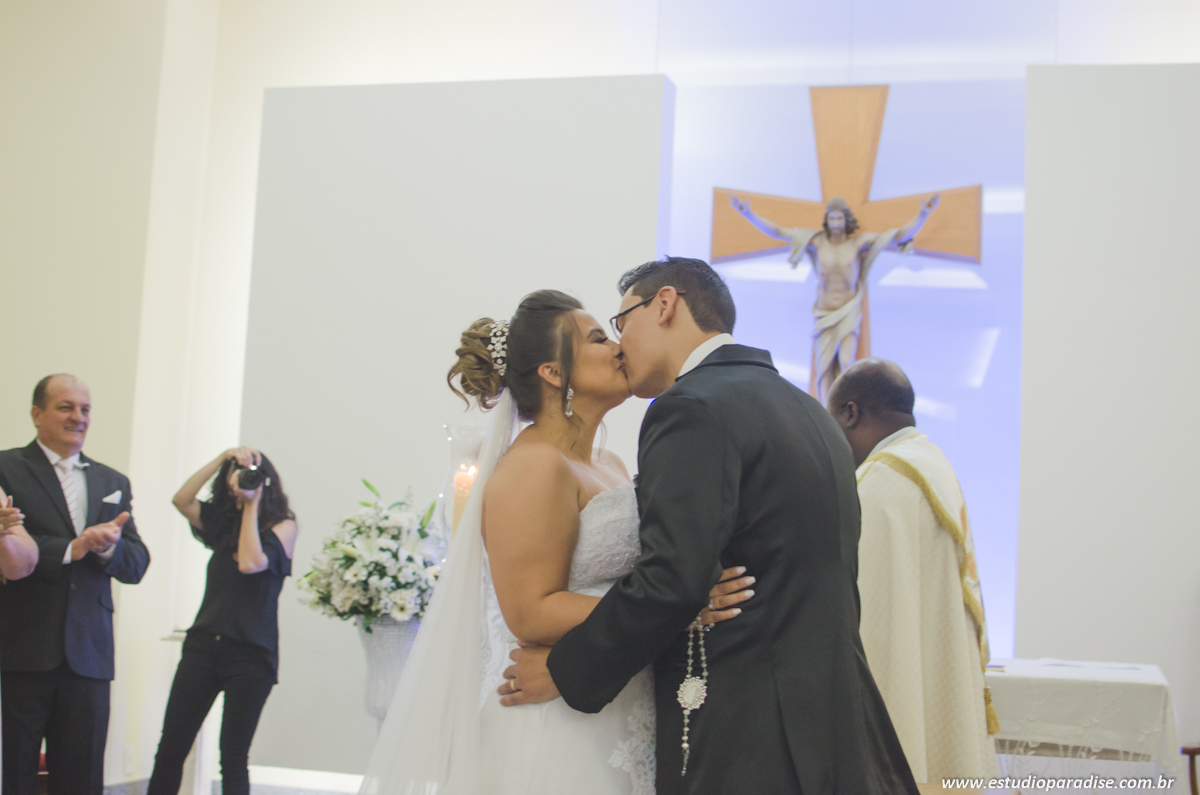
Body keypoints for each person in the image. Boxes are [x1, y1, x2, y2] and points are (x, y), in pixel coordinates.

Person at [503, 258, 918, 794]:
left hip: (748, 734)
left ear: (665, 304)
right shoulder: (808, 411)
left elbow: (672, 581)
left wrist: (565, 670)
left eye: (621, 322)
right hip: (836, 721)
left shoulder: (691, 407)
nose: (619, 344)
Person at [358, 290, 753, 795]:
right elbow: (530, 611)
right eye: (596, 338)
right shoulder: (533, 466)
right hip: (557, 724)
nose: (617, 347)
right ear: (552, 372)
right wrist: (678, 608)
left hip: (618, 701)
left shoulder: (609, 465)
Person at [826, 359, 998, 792]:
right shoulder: (932, 465)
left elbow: (864, 621)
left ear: (850, 412)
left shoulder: (880, 484)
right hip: (937, 675)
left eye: (832, 423)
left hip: (896, 689)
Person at [0, 374, 151, 795]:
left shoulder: (112, 482)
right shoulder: (6, 468)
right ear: (36, 414)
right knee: (14, 772)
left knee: (82, 778)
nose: (78, 417)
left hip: (89, 654)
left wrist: (106, 549)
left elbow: (137, 564)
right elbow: (12, 543)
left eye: (85, 409)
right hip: (22, 647)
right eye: (65, 407)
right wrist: (73, 547)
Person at [146, 447, 298, 795]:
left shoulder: (284, 527)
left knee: (232, 757)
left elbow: (250, 562)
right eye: (236, 473)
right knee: (171, 749)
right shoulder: (221, 523)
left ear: (265, 481)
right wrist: (221, 459)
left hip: (252, 656)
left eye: (250, 473)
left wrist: (251, 505)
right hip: (203, 647)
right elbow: (181, 500)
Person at [729, 193, 939, 403]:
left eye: (840, 218)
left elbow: (898, 236)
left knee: (847, 362)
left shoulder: (858, 243)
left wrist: (922, 214)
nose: (836, 223)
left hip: (848, 310)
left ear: (846, 219)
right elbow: (777, 231)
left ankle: (847, 410)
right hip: (825, 313)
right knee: (823, 368)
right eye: (832, 218)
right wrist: (748, 214)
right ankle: (827, 414)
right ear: (827, 220)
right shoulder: (818, 242)